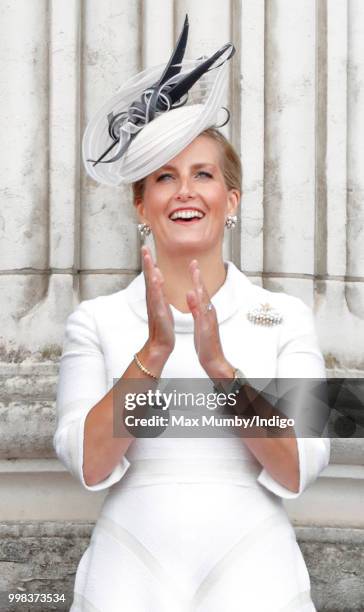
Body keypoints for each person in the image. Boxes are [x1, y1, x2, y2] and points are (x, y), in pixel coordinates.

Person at [54, 16, 330, 612]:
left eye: (202, 174)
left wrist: (221, 373)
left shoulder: (287, 317)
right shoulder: (94, 321)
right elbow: (87, 460)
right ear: (141, 203)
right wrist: (152, 355)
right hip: (127, 569)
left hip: (256, 568)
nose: (184, 191)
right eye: (164, 177)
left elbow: (301, 465)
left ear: (230, 200)